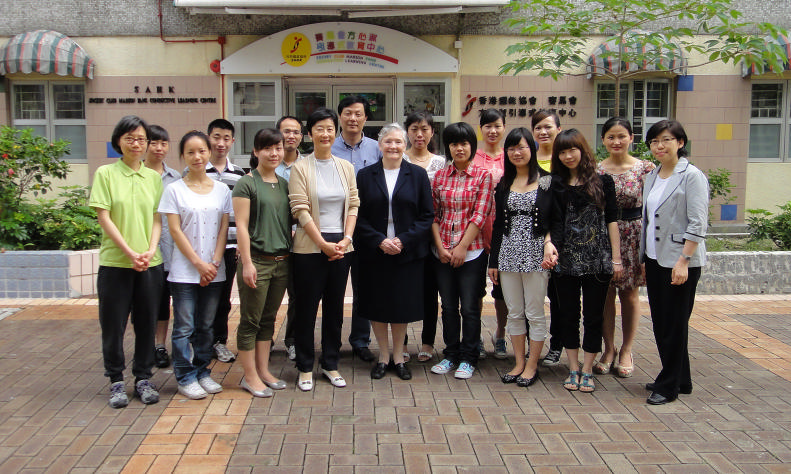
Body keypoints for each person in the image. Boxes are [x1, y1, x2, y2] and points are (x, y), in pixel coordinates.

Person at [89, 115, 163, 408]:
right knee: (113, 324)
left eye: (141, 139)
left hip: (150, 263)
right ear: (118, 141)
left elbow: (158, 219)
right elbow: (103, 216)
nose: (136, 144)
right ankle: (116, 380)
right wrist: (130, 252)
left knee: (146, 322)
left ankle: (143, 377)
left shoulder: (154, 177)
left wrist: (148, 250)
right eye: (130, 138)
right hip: (116, 264)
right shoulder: (105, 174)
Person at [355, 123, 434, 380]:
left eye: (398, 142)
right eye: (388, 141)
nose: (393, 146)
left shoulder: (417, 175)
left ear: (405, 145)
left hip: (406, 252)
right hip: (374, 251)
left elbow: (426, 216)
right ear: (379, 145)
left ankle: (399, 356)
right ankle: (382, 356)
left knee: (401, 305)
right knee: (377, 304)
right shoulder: (365, 176)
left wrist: (402, 240)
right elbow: (358, 216)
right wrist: (379, 240)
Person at [547, 129, 622, 394]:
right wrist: (550, 247)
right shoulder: (553, 184)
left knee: (593, 317)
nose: (568, 156)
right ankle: (573, 367)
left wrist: (616, 259)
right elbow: (551, 222)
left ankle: (588, 369)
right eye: (562, 152)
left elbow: (612, 220)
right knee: (568, 315)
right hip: (564, 262)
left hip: (597, 260)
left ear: (583, 150)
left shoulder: (604, 182)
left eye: (572, 150)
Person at [290, 107, 360, 391]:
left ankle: (330, 363)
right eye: (319, 128)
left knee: (335, 309)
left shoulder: (346, 167)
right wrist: (322, 244)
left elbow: (353, 203)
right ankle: (305, 366)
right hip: (309, 247)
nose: (326, 133)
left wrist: (346, 238)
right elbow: (300, 208)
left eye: (330, 128)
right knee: (307, 308)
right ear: (310, 134)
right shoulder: (300, 167)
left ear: (336, 132)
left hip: (342, 245)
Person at [158, 131, 231, 399]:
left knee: (206, 326)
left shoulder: (222, 189)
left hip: (214, 269)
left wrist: (212, 262)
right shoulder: (174, 190)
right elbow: (175, 231)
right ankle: (184, 376)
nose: (197, 157)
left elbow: (224, 228)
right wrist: (199, 264)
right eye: (191, 152)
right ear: (183, 157)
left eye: (202, 151)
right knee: (184, 327)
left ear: (209, 153)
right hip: (184, 271)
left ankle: (202, 371)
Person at [640, 120, 708, 405]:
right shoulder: (652, 176)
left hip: (681, 261)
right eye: (654, 142)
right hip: (656, 259)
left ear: (680, 142)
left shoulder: (691, 176)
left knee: (675, 323)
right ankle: (681, 378)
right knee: (661, 321)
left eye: (666, 140)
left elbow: (698, 222)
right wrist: (645, 257)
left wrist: (684, 260)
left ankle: (668, 386)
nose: (659, 146)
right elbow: (647, 220)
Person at [488, 128, 553, 387]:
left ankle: (532, 364)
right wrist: (493, 260)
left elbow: (554, 220)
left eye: (522, 147)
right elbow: (497, 224)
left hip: (536, 252)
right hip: (508, 253)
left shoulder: (548, 181)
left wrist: (549, 243)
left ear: (532, 149)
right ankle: (518, 362)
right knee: (514, 311)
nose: (517, 152)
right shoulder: (504, 183)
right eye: (512, 148)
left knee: (535, 312)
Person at [429, 122, 494, 380]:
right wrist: (441, 247)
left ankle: (469, 357)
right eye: (454, 143)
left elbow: (480, 215)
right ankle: (450, 354)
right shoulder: (440, 177)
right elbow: (433, 214)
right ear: (449, 147)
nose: (459, 148)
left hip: (473, 252)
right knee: (447, 306)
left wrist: (461, 247)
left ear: (472, 146)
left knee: (469, 307)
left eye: (464, 143)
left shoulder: (482, 175)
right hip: (442, 250)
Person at [595, 118, 655, 378]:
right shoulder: (597, 170)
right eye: (610, 136)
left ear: (632, 137)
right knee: (605, 295)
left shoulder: (646, 169)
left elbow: (653, 208)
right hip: (604, 236)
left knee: (629, 295)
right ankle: (608, 348)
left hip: (634, 233)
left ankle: (627, 349)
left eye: (621, 136)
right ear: (603, 140)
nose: (616, 141)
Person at [233, 128, 292, 398]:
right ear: (256, 151)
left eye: (278, 147)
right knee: (250, 320)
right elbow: (242, 227)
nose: (274, 153)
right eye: (267, 147)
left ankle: (264, 370)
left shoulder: (284, 184)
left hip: (282, 262)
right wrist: (247, 263)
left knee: (268, 319)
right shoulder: (247, 183)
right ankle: (249, 376)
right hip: (257, 261)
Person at [331, 95, 382, 363]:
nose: (353, 118)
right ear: (340, 116)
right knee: (335, 289)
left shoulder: (377, 148)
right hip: (335, 229)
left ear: (365, 118)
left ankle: (360, 341)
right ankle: (332, 341)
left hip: (367, 230)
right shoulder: (328, 147)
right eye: (348, 113)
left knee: (364, 288)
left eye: (358, 114)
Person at [403, 111, 447, 362]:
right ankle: (403, 341)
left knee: (431, 290)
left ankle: (428, 342)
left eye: (425, 129)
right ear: (407, 132)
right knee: (404, 288)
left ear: (432, 132)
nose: (419, 134)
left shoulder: (441, 163)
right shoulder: (399, 157)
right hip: (406, 235)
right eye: (414, 129)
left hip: (434, 235)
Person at [205, 119, 246, 364]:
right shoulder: (195, 170)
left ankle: (219, 341)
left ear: (233, 141)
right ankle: (199, 341)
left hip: (231, 247)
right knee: (200, 296)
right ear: (209, 138)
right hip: (203, 248)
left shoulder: (239, 174)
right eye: (216, 137)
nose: (221, 143)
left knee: (223, 298)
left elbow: (242, 214)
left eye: (226, 138)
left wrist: (242, 244)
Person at [472, 108, 509, 360]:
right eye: (487, 126)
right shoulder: (473, 157)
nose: (492, 130)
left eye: (497, 125)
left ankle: (501, 334)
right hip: (476, 233)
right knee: (474, 290)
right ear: (481, 129)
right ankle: (474, 337)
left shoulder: (513, 156)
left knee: (503, 291)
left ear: (503, 127)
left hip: (506, 235)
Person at [143, 125, 181, 369]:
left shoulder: (176, 178)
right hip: (145, 252)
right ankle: (145, 346)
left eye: (163, 143)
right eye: (154, 143)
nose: (159, 148)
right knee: (147, 303)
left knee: (168, 304)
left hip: (172, 252)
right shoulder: (138, 175)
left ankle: (160, 345)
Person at [531, 110, 565, 368]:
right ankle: (534, 345)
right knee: (533, 297)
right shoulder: (529, 161)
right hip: (533, 239)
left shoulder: (565, 159)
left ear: (558, 129)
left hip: (562, 237)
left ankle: (557, 345)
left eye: (548, 127)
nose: (543, 132)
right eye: (538, 128)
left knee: (558, 296)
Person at [276, 115, 304, 361]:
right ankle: (261, 342)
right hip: (271, 241)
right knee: (268, 295)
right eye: (286, 131)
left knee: (297, 294)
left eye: (295, 132)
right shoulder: (267, 165)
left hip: (299, 243)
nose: (291, 136)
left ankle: (293, 340)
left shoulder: (307, 165)